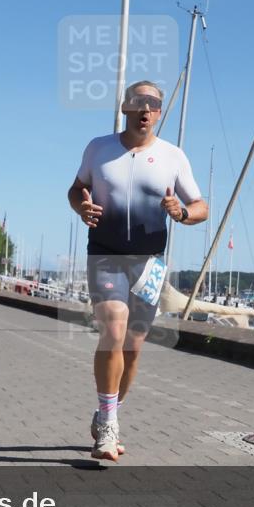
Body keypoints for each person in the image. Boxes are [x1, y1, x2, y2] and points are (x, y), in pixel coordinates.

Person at [68, 80, 208, 462]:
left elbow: (200, 206)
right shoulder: (99, 148)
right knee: (113, 326)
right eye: (139, 102)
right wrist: (82, 208)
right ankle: (109, 429)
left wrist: (181, 212)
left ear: (159, 112)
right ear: (125, 107)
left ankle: (106, 413)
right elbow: (76, 189)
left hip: (149, 264)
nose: (146, 110)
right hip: (105, 255)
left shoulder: (172, 156)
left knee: (133, 349)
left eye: (154, 104)